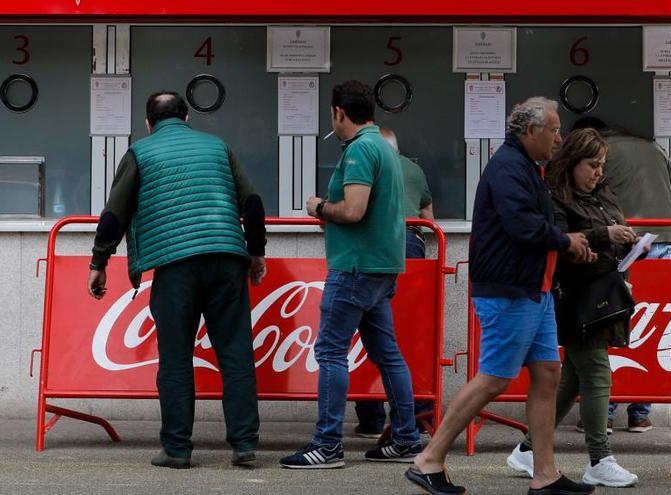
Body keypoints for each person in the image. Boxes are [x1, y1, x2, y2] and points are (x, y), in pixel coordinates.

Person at [406, 97, 596, 495]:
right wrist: (565, 240)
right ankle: (428, 459)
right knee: (494, 378)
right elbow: (522, 224)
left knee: (548, 374)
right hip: (510, 291)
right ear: (531, 131)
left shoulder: (528, 167)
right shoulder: (509, 167)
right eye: (554, 130)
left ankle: (545, 474)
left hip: (533, 290)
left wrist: (569, 240)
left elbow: (534, 222)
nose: (560, 138)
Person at [87, 91, 267, 469]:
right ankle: (245, 445)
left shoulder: (142, 152)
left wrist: (99, 261)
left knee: (175, 358)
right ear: (186, 119)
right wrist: (256, 252)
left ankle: (177, 449)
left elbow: (113, 214)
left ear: (149, 123)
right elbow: (252, 202)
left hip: (175, 265)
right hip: (226, 259)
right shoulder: (218, 147)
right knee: (235, 354)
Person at [280, 80, 421, 469]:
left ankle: (327, 444)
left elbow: (354, 210)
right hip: (381, 266)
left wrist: (320, 207)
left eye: (332, 115)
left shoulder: (359, 150)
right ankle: (407, 438)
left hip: (355, 265)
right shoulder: (386, 148)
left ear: (339, 113)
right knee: (388, 354)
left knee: (329, 351)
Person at [506, 128, 640, 488]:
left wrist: (626, 241)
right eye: (592, 165)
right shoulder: (555, 198)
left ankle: (528, 448)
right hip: (574, 298)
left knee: (571, 378)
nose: (598, 172)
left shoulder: (602, 196)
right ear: (573, 162)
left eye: (602, 166)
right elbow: (562, 243)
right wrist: (605, 235)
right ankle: (599, 457)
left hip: (602, 294)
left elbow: (607, 236)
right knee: (596, 372)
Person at [572, 116, 671, 434]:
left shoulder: (601, 153)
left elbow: (589, 201)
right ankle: (640, 413)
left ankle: (603, 412)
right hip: (665, 241)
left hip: (626, 243)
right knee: (654, 327)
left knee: (611, 320)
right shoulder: (655, 148)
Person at [353, 127, 435, 439]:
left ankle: (371, 416)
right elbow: (428, 214)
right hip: (412, 247)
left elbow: (351, 211)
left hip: (373, 248)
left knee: (368, 329)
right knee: (412, 334)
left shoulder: (364, 163)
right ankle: (417, 412)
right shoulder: (414, 169)